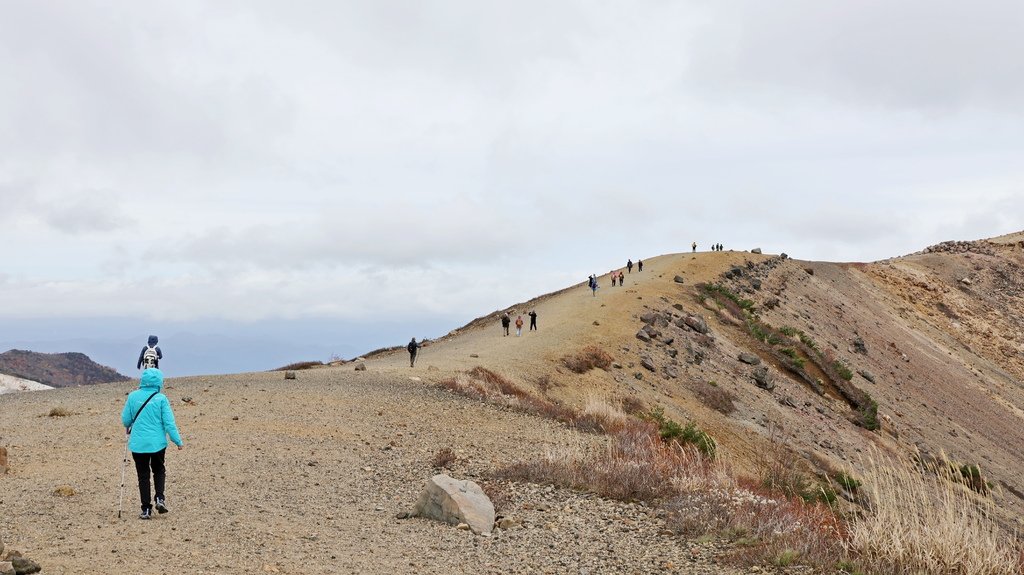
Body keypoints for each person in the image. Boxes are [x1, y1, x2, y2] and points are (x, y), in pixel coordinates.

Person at [121, 368, 183, 520]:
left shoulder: (133, 396)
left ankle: (146, 509)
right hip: (157, 444)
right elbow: (169, 423)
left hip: (138, 444)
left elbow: (125, 420)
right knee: (159, 470)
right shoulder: (161, 398)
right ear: (159, 382)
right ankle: (160, 498)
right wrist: (177, 441)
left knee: (143, 475)